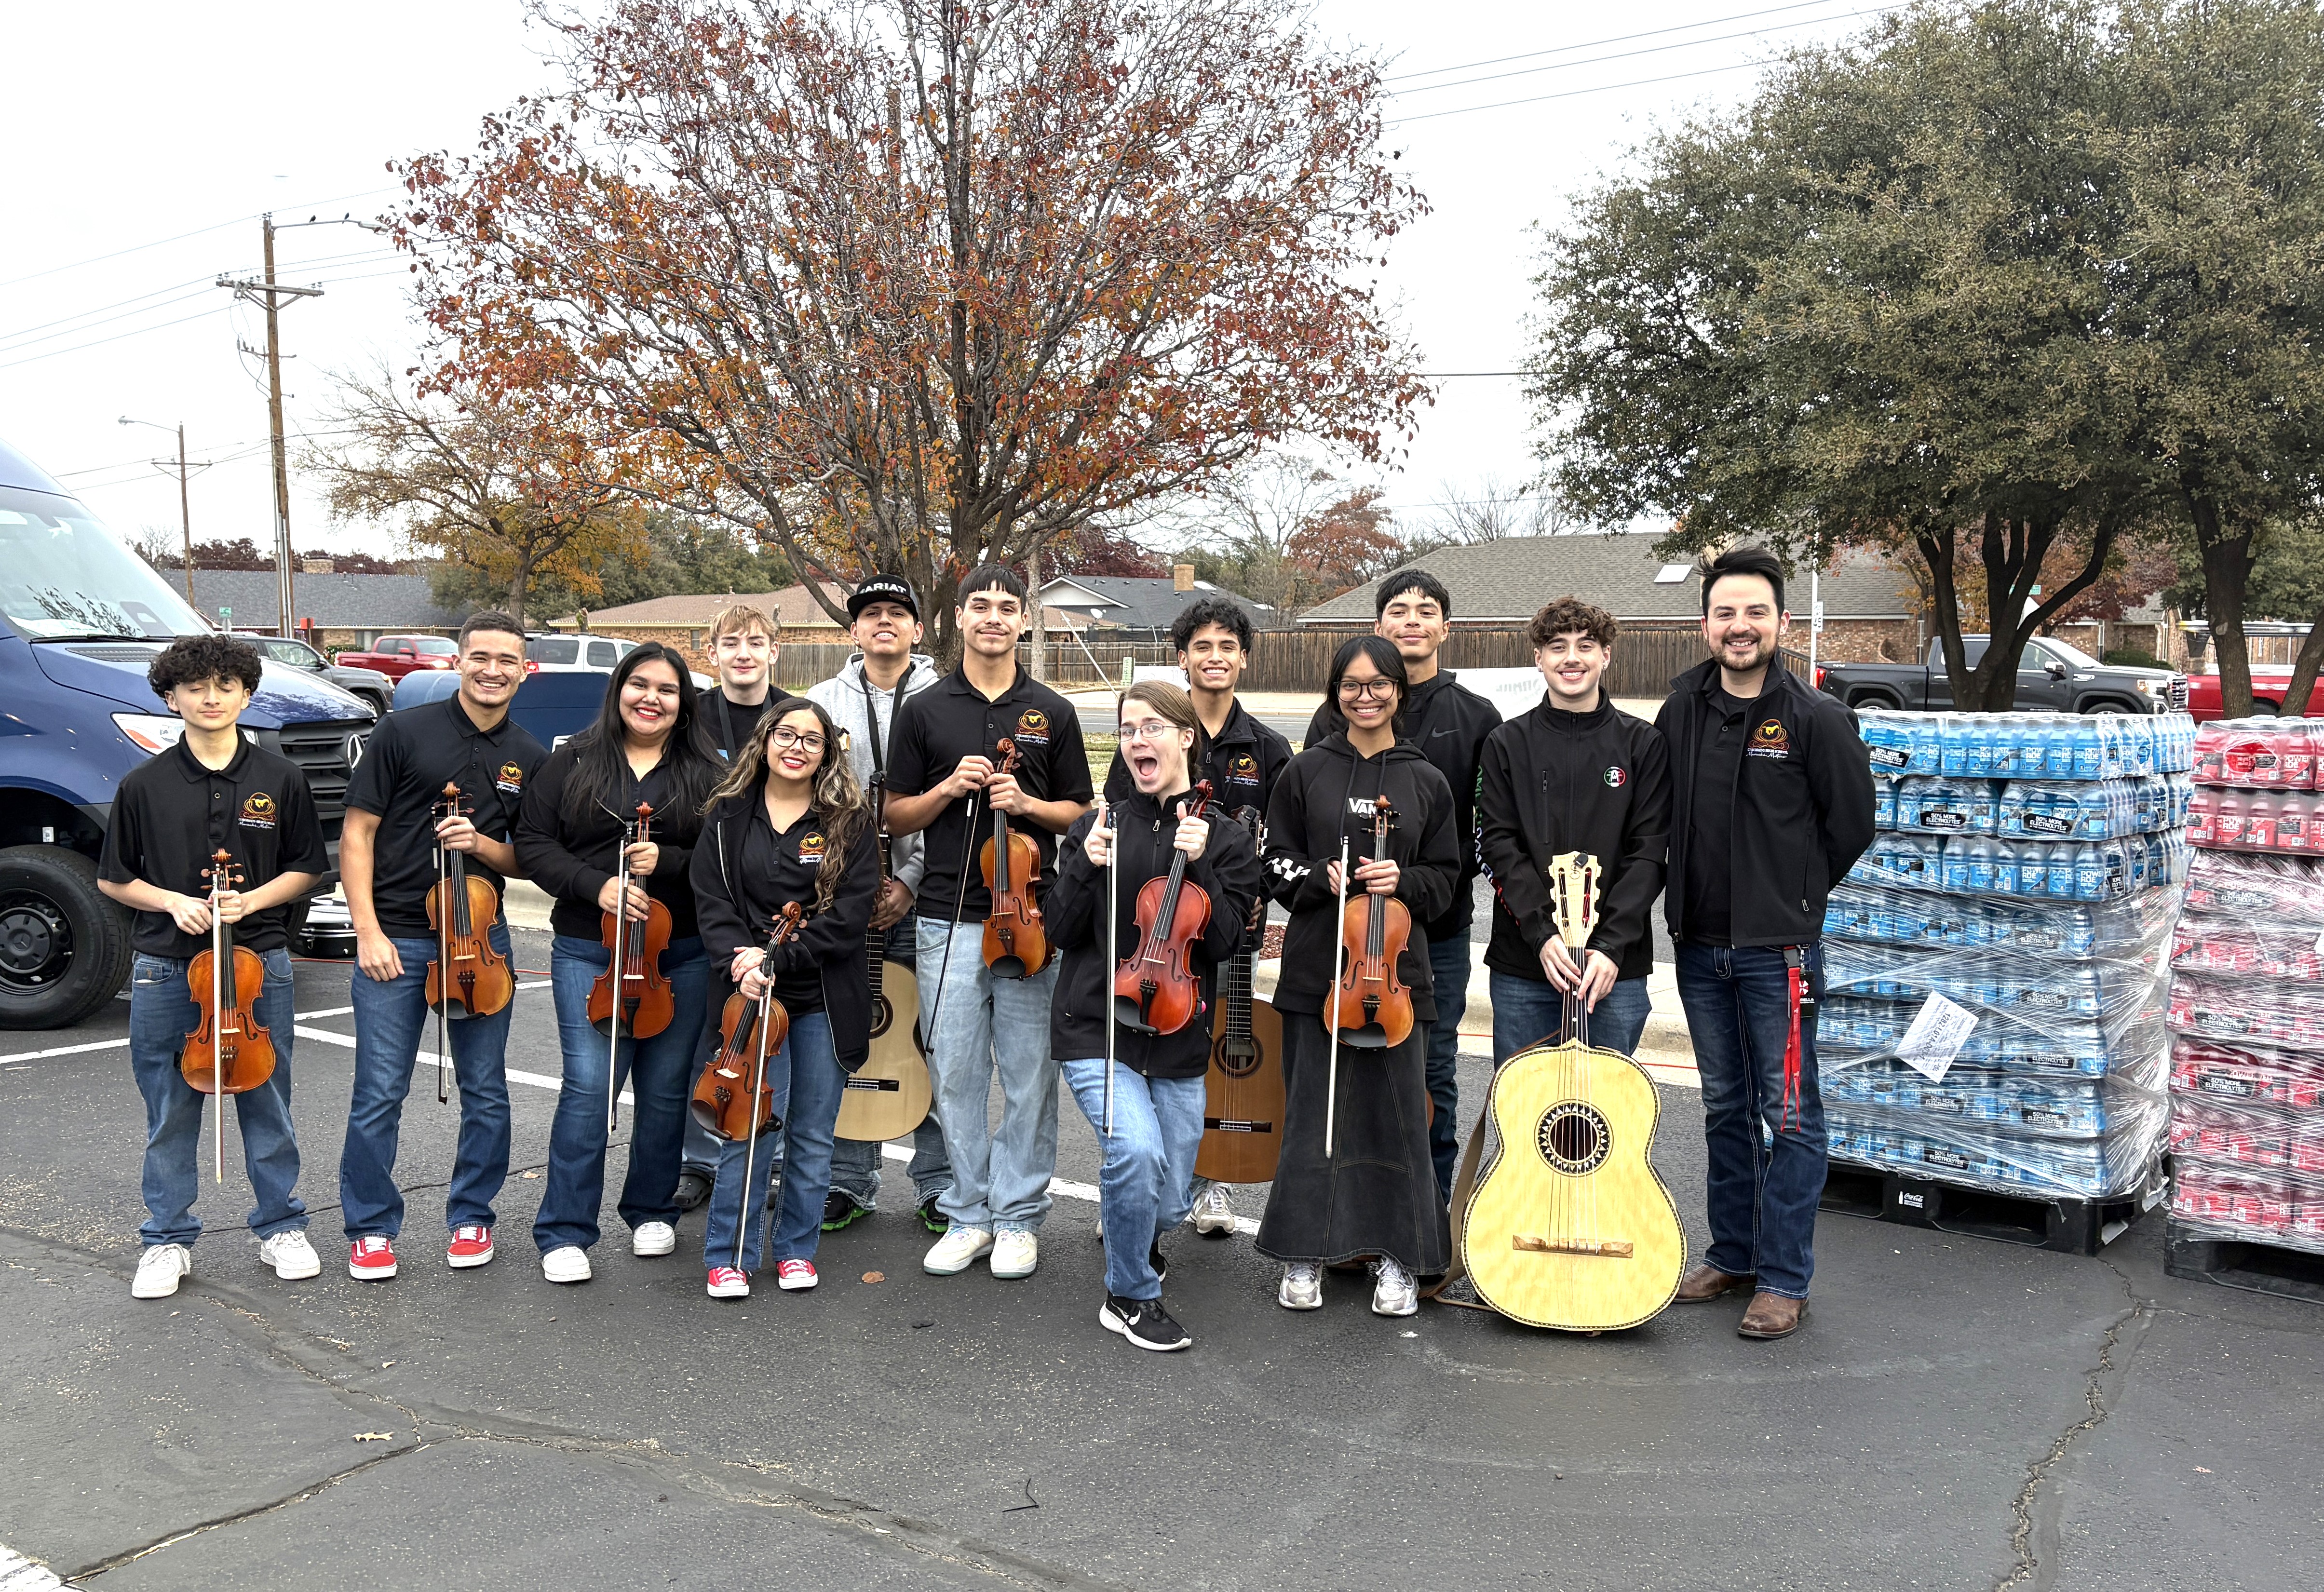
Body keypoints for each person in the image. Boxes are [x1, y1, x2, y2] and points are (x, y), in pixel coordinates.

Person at [1656, 545, 1874, 1341]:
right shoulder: (1682, 708)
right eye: (1725, 613)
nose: (1739, 627)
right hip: (1701, 948)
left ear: (1782, 622)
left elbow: (1852, 825)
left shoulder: (1815, 717)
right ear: (1705, 624)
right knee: (1723, 1106)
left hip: (1779, 955)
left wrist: (1798, 898)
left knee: (1790, 1114)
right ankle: (1734, 1252)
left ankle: (1784, 1276)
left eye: (1755, 613)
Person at [100, 635, 328, 1300]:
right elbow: (117, 878)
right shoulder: (142, 784)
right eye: (196, 687)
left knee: (267, 1095)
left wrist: (251, 898)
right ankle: (167, 1239)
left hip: (261, 963)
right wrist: (173, 901)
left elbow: (307, 866)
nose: (211, 697)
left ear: (247, 694)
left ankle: (281, 1226)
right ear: (172, 698)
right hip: (168, 967)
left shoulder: (280, 778)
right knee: (170, 1107)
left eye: (226, 685)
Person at [885, 564, 1093, 1281]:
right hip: (947, 918)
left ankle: (1019, 1219)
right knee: (958, 1074)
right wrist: (949, 787)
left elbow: (1080, 812)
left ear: (1024, 620)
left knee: (1031, 1076)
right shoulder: (925, 707)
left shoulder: (1052, 711)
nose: (995, 617)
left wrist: (1027, 803)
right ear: (961, 618)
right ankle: (968, 1212)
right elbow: (894, 813)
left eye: (1009, 607)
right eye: (982, 606)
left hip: (1032, 920)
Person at [337, 612, 547, 1282]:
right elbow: (357, 835)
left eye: (506, 659)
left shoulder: (530, 754)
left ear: (524, 669)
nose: (492, 669)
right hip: (396, 936)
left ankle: (472, 1215)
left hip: (479, 939)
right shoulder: (403, 731)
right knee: (379, 1090)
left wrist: (481, 845)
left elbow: (526, 860)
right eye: (479, 656)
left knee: (486, 1088)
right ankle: (370, 1227)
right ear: (457, 662)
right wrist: (365, 930)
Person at [1054, 681, 1260, 1350]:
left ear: (1185, 737)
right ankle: (1130, 1294)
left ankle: (1136, 1242)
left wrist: (1205, 869)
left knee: (1171, 1199)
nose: (1139, 740)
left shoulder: (1223, 836)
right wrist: (1084, 869)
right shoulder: (1097, 826)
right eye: (1127, 729)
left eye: (1152, 727)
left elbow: (1229, 943)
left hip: (1175, 1032)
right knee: (1134, 1150)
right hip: (1099, 1024)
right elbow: (1058, 929)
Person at [1261, 636, 1459, 1316]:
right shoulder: (1306, 771)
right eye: (1351, 684)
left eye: (1379, 684)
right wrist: (1321, 875)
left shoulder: (1426, 779)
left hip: (1398, 978)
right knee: (1313, 1117)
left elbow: (1449, 879)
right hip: (1321, 972)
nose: (1365, 695)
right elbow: (1275, 865)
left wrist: (1406, 878)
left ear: (1400, 691)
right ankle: (1304, 1250)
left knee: (1399, 1121)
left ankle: (1402, 1258)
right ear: (1334, 691)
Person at [515, 645, 722, 1284]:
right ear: (619, 689)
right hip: (589, 948)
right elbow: (532, 843)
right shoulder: (572, 759)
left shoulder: (706, 769)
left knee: (664, 1091)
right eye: (640, 684)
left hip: (678, 953)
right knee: (586, 1086)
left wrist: (675, 862)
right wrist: (592, 884)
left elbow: (725, 856)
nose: (651, 698)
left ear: (684, 702)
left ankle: (651, 1209)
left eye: (667, 689)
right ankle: (566, 1230)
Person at [1305, 570, 1498, 1201]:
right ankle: (1352, 1210)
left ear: (1446, 627)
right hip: (1348, 936)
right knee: (1346, 1072)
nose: (1412, 619)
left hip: (1434, 933)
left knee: (1431, 1072)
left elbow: (1480, 830)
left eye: (1426, 610)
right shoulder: (1333, 716)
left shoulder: (1476, 716)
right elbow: (1307, 820)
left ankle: (1428, 1209)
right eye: (1398, 609)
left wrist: (1420, 886)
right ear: (1379, 624)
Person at [1106, 595, 1292, 1238]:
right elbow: (1117, 815)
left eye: (1227, 647)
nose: (1215, 658)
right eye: (1202, 647)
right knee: (1145, 1054)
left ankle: (1208, 1184)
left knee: (1216, 1046)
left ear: (1243, 657)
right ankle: (1135, 1191)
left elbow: (1282, 841)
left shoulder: (1268, 748)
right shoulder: (1152, 730)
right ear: (1181, 657)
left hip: (1226, 931)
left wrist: (1252, 902)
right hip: (1156, 928)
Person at [691, 698, 879, 1298]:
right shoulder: (726, 816)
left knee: (813, 1132)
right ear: (765, 741)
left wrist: (778, 956)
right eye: (786, 734)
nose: (797, 747)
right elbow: (712, 901)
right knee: (748, 1125)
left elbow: (848, 918)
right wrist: (740, 960)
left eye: (812, 739)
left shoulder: (849, 821)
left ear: (827, 753)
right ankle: (729, 1254)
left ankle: (796, 1248)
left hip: (820, 995)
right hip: (748, 997)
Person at [805, 575, 951, 1234]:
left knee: (931, 1041)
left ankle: (942, 1184)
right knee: (850, 1035)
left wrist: (911, 881)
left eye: (899, 612)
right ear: (854, 629)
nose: (884, 622)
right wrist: (850, 891)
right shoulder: (818, 703)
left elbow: (949, 812)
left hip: (927, 893)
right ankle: (847, 1181)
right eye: (871, 614)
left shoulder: (946, 701)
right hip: (844, 901)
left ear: (918, 629)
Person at [1478, 597, 1670, 1063]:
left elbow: (1650, 852)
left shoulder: (1642, 745)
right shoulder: (1506, 744)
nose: (1572, 658)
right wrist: (1542, 935)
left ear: (1606, 655)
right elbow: (1498, 844)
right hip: (1526, 965)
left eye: (1586, 645)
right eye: (1557, 646)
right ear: (1538, 658)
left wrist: (1610, 946)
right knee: (1525, 1117)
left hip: (1613, 971)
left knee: (1607, 1121)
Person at [677, 603, 784, 1210]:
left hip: (778, 901)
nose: (743, 652)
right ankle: (700, 1158)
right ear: (711, 652)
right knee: (711, 1035)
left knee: (772, 1040)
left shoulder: (797, 716)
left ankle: (769, 1159)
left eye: (755, 641)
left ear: (775, 650)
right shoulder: (691, 719)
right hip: (708, 895)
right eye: (730, 642)